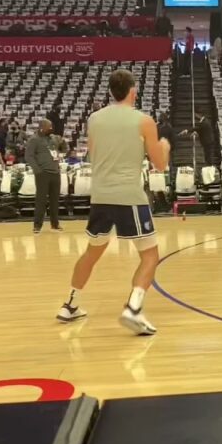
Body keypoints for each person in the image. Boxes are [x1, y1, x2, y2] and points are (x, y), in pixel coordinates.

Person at [56, 69, 171, 336]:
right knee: (150, 255)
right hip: (129, 195)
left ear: (111, 91)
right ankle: (133, 309)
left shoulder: (94, 119)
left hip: (101, 195)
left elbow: (94, 152)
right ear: (133, 91)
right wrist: (164, 144)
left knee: (92, 252)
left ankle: (70, 304)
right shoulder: (144, 120)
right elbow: (160, 165)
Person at [25, 119, 64, 234]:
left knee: (55, 200)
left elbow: (63, 150)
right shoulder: (34, 140)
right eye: (49, 127)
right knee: (41, 200)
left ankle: (55, 224)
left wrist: (63, 143)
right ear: (42, 127)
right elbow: (29, 156)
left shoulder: (53, 139)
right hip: (43, 173)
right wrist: (38, 170)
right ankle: (37, 225)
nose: (51, 129)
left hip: (55, 172)